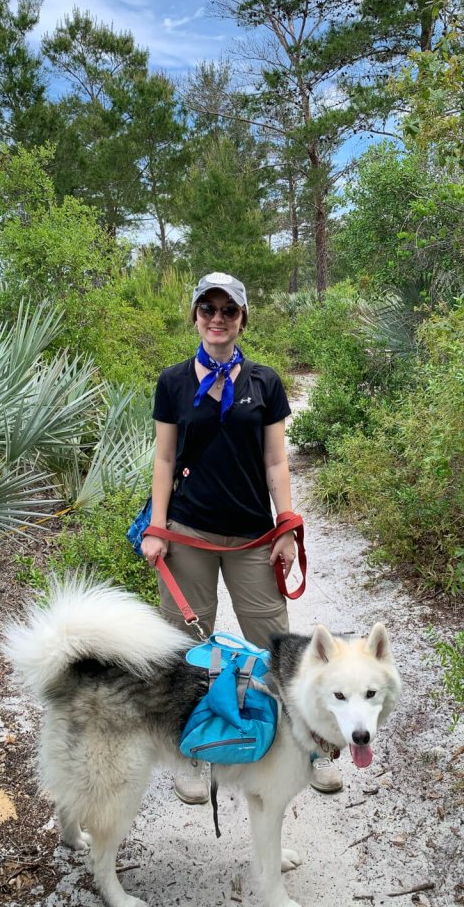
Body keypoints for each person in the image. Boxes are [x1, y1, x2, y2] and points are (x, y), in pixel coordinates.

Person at [140, 271, 343, 803]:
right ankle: (188, 754)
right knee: (184, 646)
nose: (217, 319)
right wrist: (158, 528)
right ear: (195, 316)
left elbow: (277, 460)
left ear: (242, 318)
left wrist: (287, 525)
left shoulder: (265, 383)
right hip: (189, 533)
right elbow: (164, 459)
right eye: (207, 309)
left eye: (227, 310)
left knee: (277, 644)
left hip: (254, 536)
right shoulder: (174, 382)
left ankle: (309, 748)